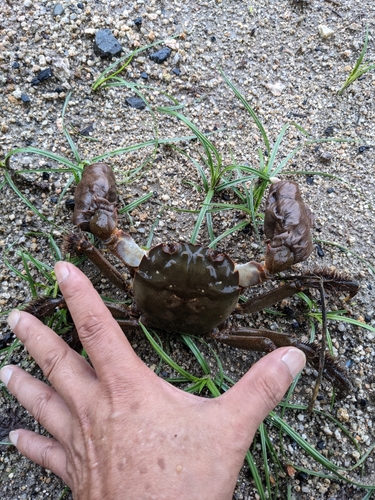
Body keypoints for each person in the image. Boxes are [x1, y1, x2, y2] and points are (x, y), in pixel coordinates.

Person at [1, 261, 306, 500]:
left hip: (136, 318)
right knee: (283, 339)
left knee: (65, 306)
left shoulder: (144, 268)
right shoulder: (234, 289)